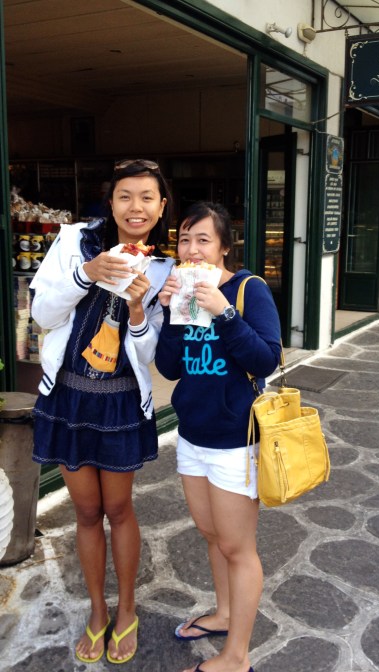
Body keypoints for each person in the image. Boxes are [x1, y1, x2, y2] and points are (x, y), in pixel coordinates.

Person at [30, 159, 174, 665]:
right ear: (110, 202)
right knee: (87, 512)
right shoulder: (75, 242)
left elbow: (149, 353)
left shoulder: (163, 269)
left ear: (161, 207)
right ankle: (97, 612)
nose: (136, 207)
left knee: (118, 509)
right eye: (125, 196)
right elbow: (42, 315)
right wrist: (85, 274)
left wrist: (137, 312)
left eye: (147, 198)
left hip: (118, 400)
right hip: (68, 395)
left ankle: (126, 608)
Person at [155, 202, 281, 672]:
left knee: (238, 548)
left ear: (224, 246)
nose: (192, 250)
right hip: (192, 435)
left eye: (203, 240)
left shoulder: (248, 289)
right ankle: (225, 614)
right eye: (185, 240)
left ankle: (236, 657)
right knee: (212, 536)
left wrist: (224, 313)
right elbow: (170, 368)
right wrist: (168, 312)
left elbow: (266, 359)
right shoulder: (182, 291)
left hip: (235, 441)